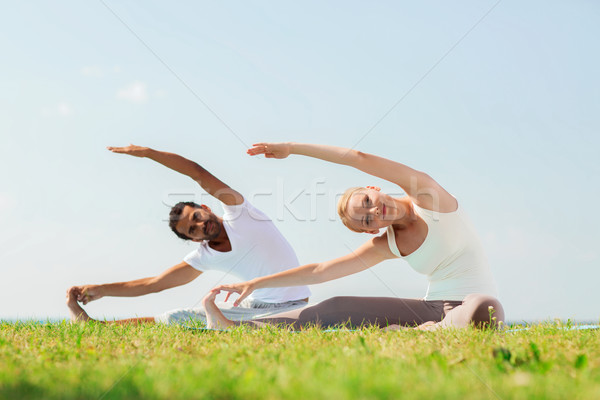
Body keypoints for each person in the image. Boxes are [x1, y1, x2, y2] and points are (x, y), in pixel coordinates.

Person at [203, 142, 504, 330]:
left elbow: (357, 157)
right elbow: (320, 272)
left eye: (367, 202)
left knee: (484, 308)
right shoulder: (389, 244)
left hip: (472, 304)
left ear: (373, 188)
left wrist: (292, 148)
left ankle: (420, 332)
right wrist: (254, 283)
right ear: (371, 231)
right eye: (366, 220)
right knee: (335, 306)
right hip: (433, 308)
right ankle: (233, 326)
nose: (374, 211)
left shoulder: (429, 197)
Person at [66, 145, 310, 324]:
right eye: (192, 230)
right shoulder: (205, 256)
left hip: (291, 305)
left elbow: (198, 173)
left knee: (210, 322)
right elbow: (155, 284)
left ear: (205, 209)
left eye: (197, 217)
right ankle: (100, 327)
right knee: (178, 317)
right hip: (253, 306)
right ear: (193, 239)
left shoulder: (240, 213)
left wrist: (149, 153)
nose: (200, 226)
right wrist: (102, 289)